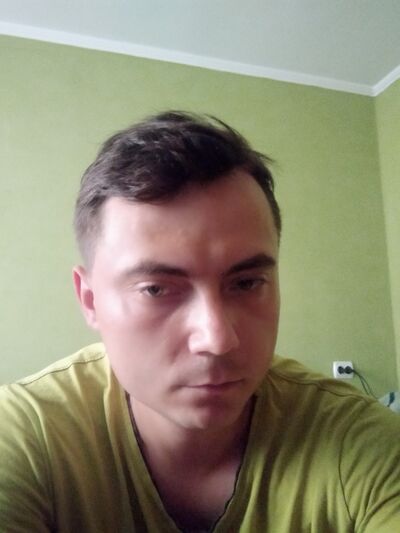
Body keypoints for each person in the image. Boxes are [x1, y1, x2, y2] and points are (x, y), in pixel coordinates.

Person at [0, 111, 399, 533]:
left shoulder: (363, 443)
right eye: (156, 289)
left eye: (246, 283)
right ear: (90, 299)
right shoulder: (27, 435)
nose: (217, 339)